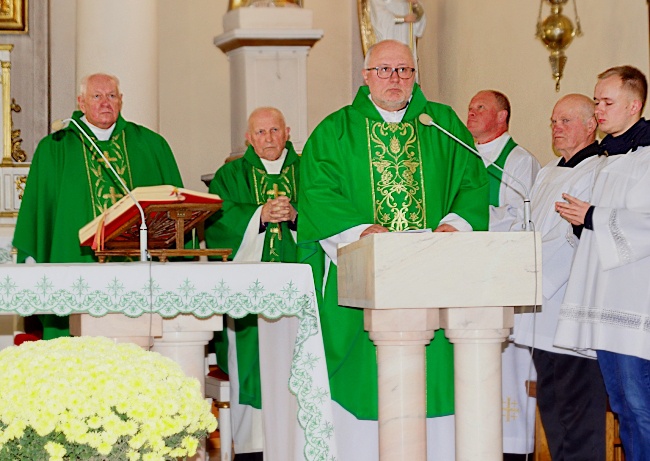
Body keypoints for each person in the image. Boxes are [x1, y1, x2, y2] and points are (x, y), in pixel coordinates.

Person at [298, 39, 489, 460]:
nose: (394, 78)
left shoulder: (440, 123)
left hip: (434, 273)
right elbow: (315, 191)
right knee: (366, 380)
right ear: (366, 77)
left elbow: (473, 180)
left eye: (403, 70)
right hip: (363, 274)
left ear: (414, 76)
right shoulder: (336, 130)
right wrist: (364, 230)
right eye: (384, 70)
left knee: (437, 375)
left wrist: (453, 226)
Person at [13, 73, 183, 339]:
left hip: (137, 275)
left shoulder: (150, 145)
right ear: (81, 103)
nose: (106, 103)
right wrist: (34, 261)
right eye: (97, 96)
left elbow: (176, 208)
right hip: (73, 268)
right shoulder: (55, 148)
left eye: (112, 96)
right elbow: (38, 212)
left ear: (121, 101)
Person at [555, 66, 650, 461]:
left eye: (607, 102)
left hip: (634, 301)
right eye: (596, 101)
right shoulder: (608, 157)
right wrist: (581, 223)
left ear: (634, 105)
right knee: (622, 404)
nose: (599, 110)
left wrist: (592, 216)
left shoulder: (647, 155)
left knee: (639, 405)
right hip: (606, 302)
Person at [513, 94, 607, 460]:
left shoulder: (600, 170)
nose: (557, 127)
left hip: (568, 304)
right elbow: (532, 228)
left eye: (566, 121)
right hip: (540, 310)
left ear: (590, 125)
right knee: (551, 407)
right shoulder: (550, 170)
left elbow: (574, 239)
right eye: (554, 121)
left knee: (577, 411)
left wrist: (532, 275)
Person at [205, 107, 299, 461]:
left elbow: (327, 212)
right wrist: (258, 215)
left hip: (297, 291)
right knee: (250, 364)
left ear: (287, 132)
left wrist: (295, 216)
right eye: (260, 132)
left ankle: (296, 443)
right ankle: (252, 448)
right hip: (250, 294)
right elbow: (215, 220)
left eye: (275, 130)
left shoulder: (309, 171)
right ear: (248, 137)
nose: (269, 138)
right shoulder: (230, 175)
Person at [466, 89, 541, 460]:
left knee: (508, 369)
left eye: (481, 108)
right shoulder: (462, 155)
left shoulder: (519, 161)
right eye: (470, 107)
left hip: (502, 279)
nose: (471, 113)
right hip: (466, 277)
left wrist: (468, 222)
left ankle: (513, 449)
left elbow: (521, 218)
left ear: (502, 116)